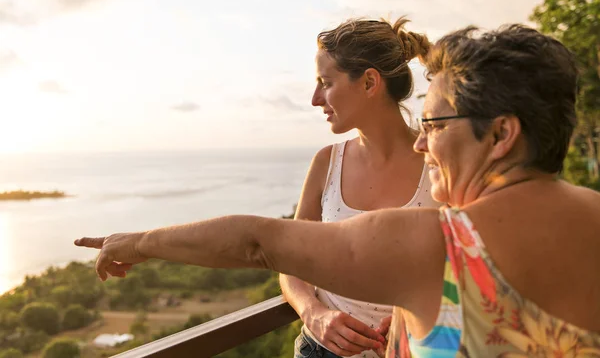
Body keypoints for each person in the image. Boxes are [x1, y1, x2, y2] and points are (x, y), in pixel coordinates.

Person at [75, 24, 600, 357]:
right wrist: (315, 312)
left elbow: (258, 243)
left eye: (436, 125)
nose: (423, 144)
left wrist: (138, 243)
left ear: (502, 134)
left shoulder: (438, 245)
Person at [281, 17, 439, 358]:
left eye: (326, 83)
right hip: (320, 351)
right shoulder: (326, 163)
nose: (314, 98)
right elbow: (290, 261)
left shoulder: (438, 165)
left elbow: (468, 261)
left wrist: (417, 316)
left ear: (369, 82)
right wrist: (314, 313)